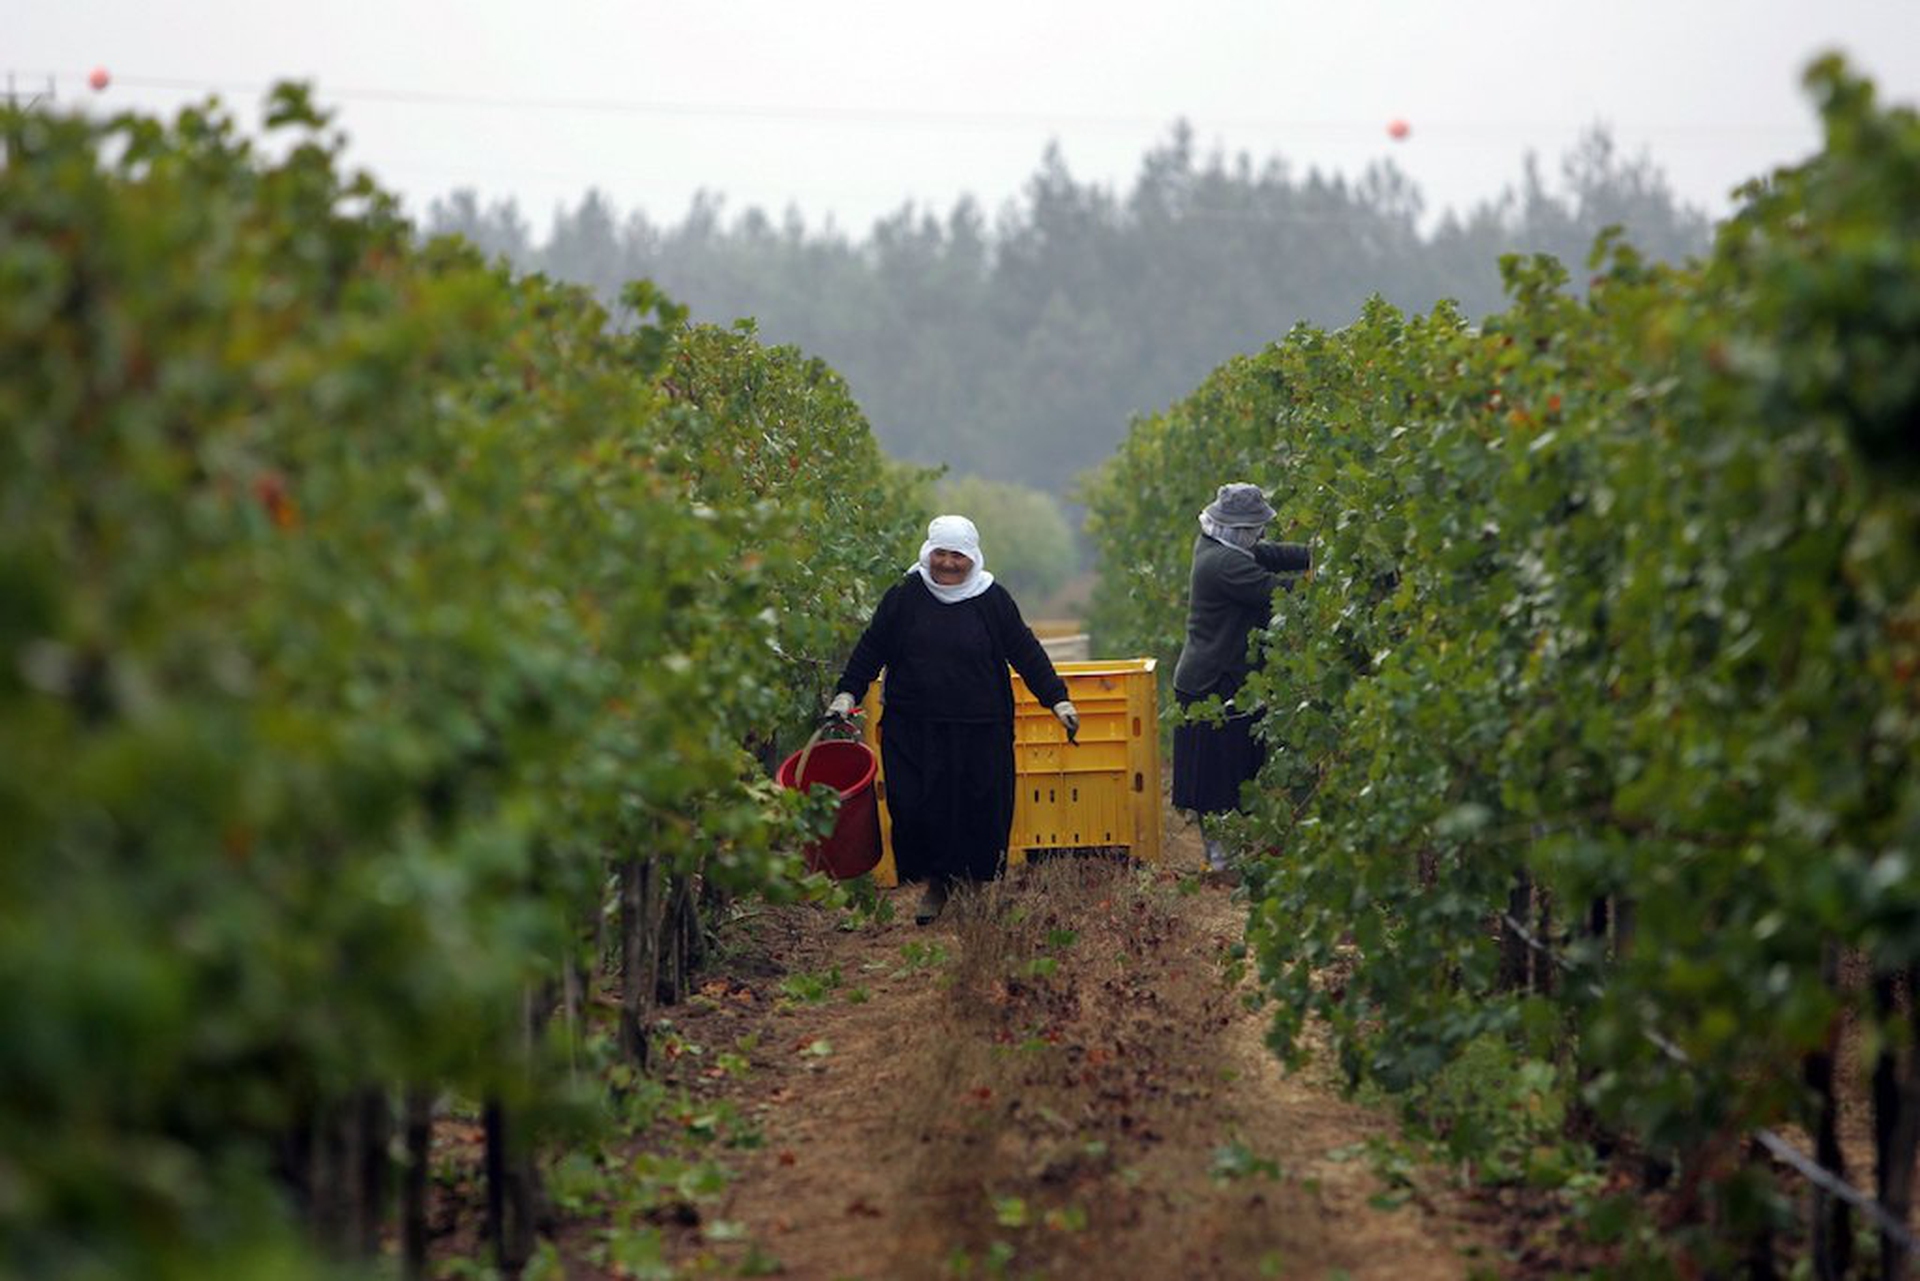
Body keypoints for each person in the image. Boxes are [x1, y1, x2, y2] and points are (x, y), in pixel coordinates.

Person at [828, 515, 1077, 924]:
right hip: (914, 727)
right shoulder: (905, 596)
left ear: (972, 557)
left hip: (981, 726)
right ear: (928, 552)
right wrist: (847, 692)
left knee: (978, 809)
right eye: (940, 553)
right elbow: (872, 647)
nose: (947, 563)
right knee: (917, 808)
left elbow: (1025, 651)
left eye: (957, 555)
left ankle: (973, 888)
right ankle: (937, 884)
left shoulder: (991, 599)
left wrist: (1058, 700)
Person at [1171, 483, 1312, 872]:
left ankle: (1225, 854)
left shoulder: (1220, 546)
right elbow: (1276, 591)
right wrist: (1325, 581)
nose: (1260, 535)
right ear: (1239, 528)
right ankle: (1220, 859)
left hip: (1225, 676)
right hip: (1213, 682)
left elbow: (1271, 554)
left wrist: (1314, 555)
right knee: (1217, 773)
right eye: (1255, 529)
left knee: (1231, 767)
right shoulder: (1224, 564)